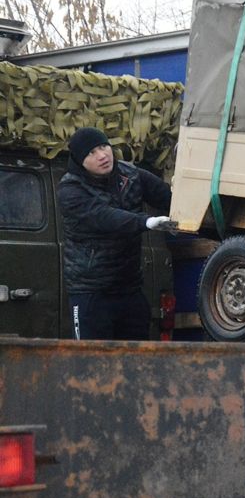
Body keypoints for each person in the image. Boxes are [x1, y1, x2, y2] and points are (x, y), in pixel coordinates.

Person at [58, 126, 174, 340]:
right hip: (91, 293)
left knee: (136, 362)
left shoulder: (130, 174)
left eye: (104, 146)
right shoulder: (70, 190)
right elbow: (105, 217)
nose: (102, 155)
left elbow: (167, 197)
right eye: (91, 153)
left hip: (130, 290)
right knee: (92, 364)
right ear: (79, 161)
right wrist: (146, 221)